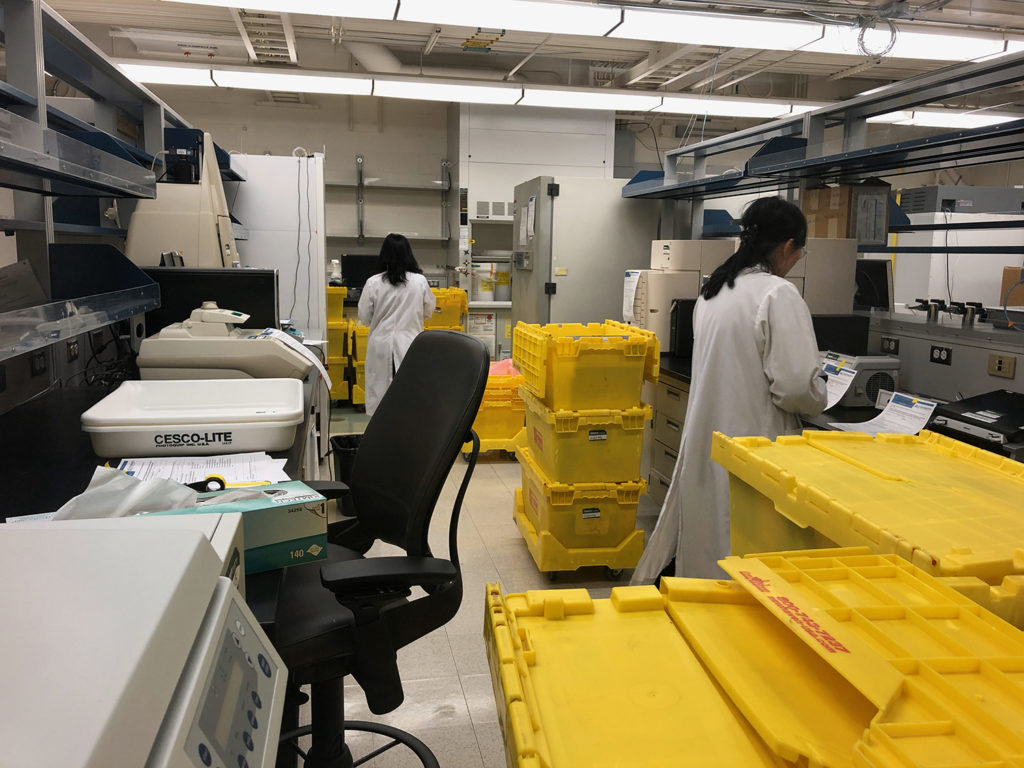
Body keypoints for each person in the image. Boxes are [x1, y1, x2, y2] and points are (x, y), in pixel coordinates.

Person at [631, 197, 827, 582]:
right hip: (754, 445)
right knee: (745, 549)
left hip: (708, 438)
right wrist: (820, 391)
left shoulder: (714, 289)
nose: (797, 259)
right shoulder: (777, 294)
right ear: (788, 246)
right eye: (799, 252)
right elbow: (795, 388)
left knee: (707, 541)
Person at [358, 233, 436, 415]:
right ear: (408, 254)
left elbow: (364, 316)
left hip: (381, 345)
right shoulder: (419, 282)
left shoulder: (373, 283)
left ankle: (384, 437)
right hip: (410, 345)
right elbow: (428, 312)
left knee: (381, 398)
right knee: (409, 395)